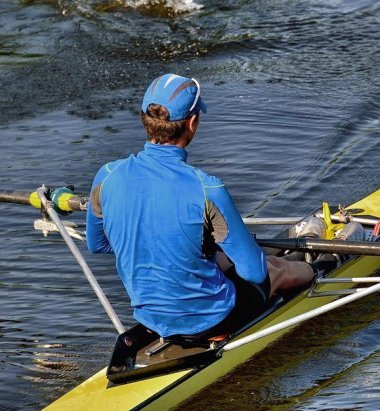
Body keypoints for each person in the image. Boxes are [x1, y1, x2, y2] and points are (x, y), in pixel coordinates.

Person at [86, 74, 335, 340]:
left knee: (217, 257)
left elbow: (97, 244)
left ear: (144, 120)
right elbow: (254, 272)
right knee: (273, 268)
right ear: (192, 123)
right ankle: (326, 267)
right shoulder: (206, 189)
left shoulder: (107, 176)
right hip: (212, 320)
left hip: (151, 318)